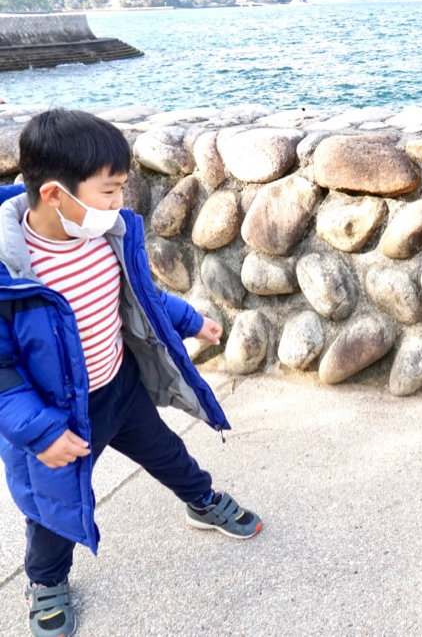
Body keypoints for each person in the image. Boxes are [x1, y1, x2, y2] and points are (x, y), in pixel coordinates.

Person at [0, 108, 262, 637]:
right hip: (58, 419)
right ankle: (46, 581)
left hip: (120, 387)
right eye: (110, 191)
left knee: (168, 452)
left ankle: (202, 500)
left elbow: (141, 299)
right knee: (53, 508)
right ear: (54, 194)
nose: (120, 203)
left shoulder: (107, 236)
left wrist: (191, 319)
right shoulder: (13, 272)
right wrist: (41, 432)